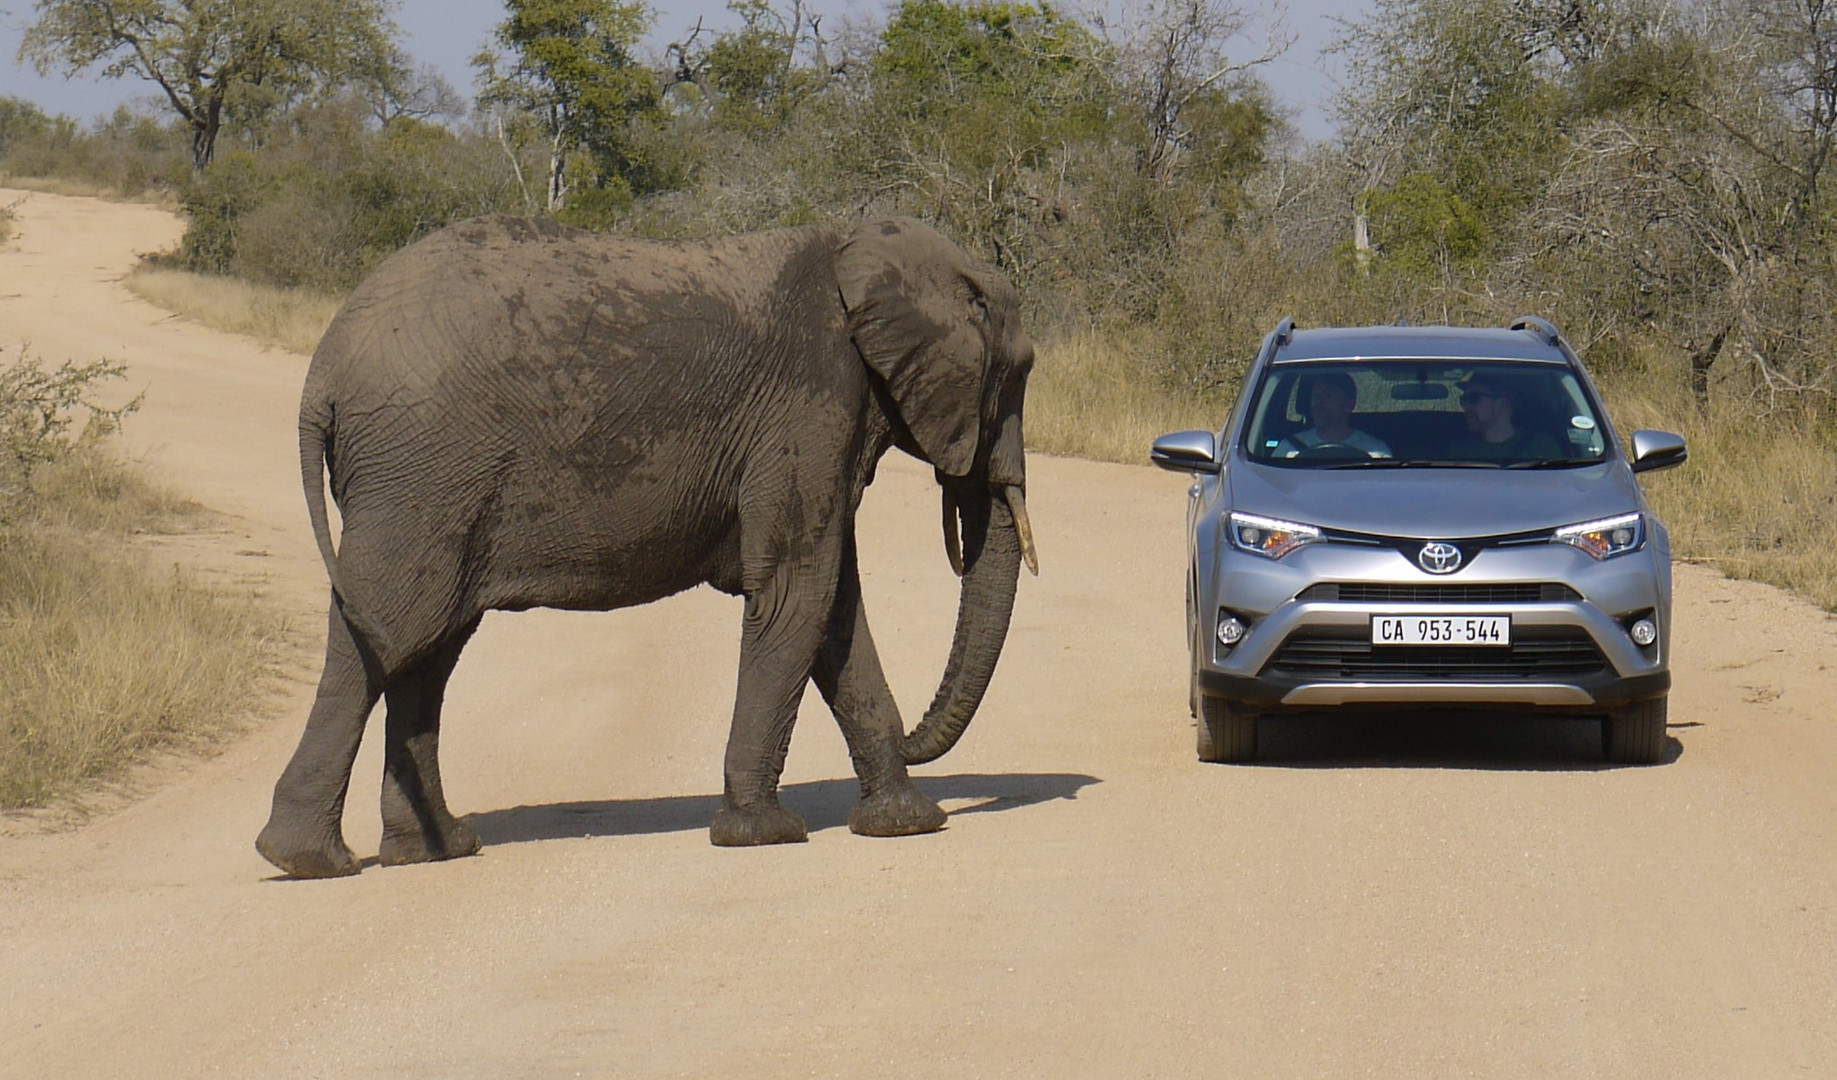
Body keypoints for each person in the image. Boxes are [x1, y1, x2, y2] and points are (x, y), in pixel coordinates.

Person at [1274, 372, 1392, 458]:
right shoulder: (1288, 450)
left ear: (1349, 405)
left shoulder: (1375, 453)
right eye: (1315, 395)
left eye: (1327, 396)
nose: (1318, 403)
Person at [1447, 372, 1561, 462]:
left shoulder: (1541, 446)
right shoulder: (1460, 451)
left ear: (1502, 403)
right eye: (1464, 399)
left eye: (1474, 398)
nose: (1466, 406)